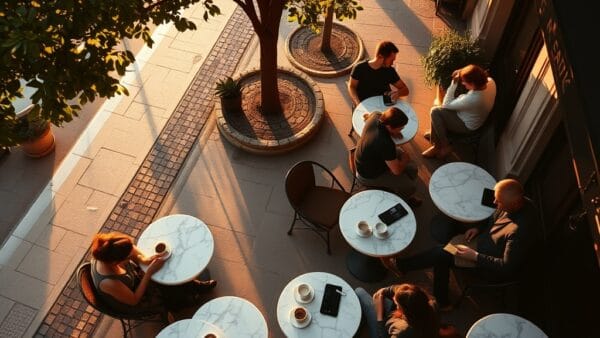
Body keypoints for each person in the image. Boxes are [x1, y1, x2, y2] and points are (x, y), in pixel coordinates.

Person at [382, 179, 541, 308]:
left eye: (498, 201)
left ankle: (402, 266)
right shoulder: (518, 201)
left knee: (442, 253)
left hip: (484, 259)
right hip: (481, 242)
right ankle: (441, 300)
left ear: (513, 205)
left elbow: (506, 267)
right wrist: (478, 228)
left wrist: (475, 256)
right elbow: (495, 217)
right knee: (443, 253)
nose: (494, 202)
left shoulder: (520, 232)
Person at [90, 232, 217, 315]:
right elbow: (134, 300)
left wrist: (145, 259)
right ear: (115, 262)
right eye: (128, 258)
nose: (131, 256)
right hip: (136, 302)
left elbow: (133, 251)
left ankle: (192, 287)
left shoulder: (108, 250)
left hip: (134, 281)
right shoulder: (108, 283)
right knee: (163, 279)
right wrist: (149, 273)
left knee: (164, 272)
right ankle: (183, 298)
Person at [422, 64, 496, 159]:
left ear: (473, 84)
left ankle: (441, 146)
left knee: (435, 111)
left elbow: (446, 105)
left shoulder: (474, 99)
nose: (463, 83)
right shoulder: (490, 82)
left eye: (464, 82)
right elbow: (475, 72)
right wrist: (461, 71)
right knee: (438, 112)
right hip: (475, 116)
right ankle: (435, 135)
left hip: (466, 125)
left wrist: (454, 83)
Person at [355, 106, 421, 205]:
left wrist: (394, 133)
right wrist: (405, 159)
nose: (402, 129)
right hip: (368, 175)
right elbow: (396, 171)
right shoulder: (385, 143)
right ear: (390, 127)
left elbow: (369, 117)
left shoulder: (376, 116)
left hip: (367, 156)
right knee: (410, 186)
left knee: (412, 169)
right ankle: (403, 200)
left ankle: (403, 180)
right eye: (400, 128)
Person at [356, 283, 461, 338]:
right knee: (384, 300)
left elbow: (383, 335)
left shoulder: (404, 332)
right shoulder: (432, 305)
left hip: (383, 330)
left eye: (397, 305)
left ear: (407, 311)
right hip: (399, 321)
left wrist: (379, 313)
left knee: (359, 292)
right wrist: (384, 291)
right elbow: (399, 289)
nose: (396, 305)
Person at [348, 40, 410, 107]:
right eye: (391, 60)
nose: (392, 63)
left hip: (382, 107)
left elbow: (405, 90)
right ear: (380, 56)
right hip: (363, 106)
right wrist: (357, 103)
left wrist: (398, 93)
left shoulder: (390, 71)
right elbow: (351, 86)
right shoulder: (359, 68)